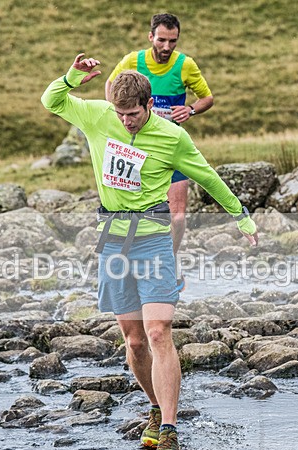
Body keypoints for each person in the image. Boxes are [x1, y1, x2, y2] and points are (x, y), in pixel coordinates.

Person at [42, 53, 258, 450]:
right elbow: (50, 100)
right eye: (120, 114)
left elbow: (207, 176)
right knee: (134, 340)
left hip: (154, 241)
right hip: (113, 242)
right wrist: (71, 77)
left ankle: (170, 430)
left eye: (133, 114)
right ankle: (155, 408)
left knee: (158, 332)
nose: (126, 121)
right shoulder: (99, 116)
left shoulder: (171, 136)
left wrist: (241, 217)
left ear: (149, 104)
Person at [105, 13, 214, 283]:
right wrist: (118, 116)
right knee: (138, 211)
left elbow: (207, 98)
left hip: (171, 147)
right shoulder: (133, 61)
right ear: (150, 37)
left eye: (172, 41)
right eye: (162, 40)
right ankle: (131, 264)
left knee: (177, 217)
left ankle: (169, 260)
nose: (167, 47)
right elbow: (110, 83)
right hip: (138, 149)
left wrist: (190, 110)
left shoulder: (185, 65)